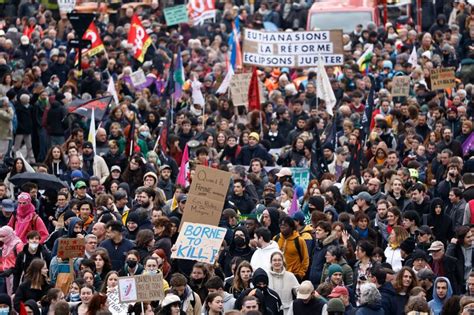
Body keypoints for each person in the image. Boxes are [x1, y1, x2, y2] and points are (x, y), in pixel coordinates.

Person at [274, 216, 309, 281]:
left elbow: (305, 259)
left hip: (294, 276)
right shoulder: (276, 238)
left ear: (291, 227)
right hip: (278, 275)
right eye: (281, 226)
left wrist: (300, 274)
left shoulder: (299, 241)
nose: (283, 228)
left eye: (285, 226)